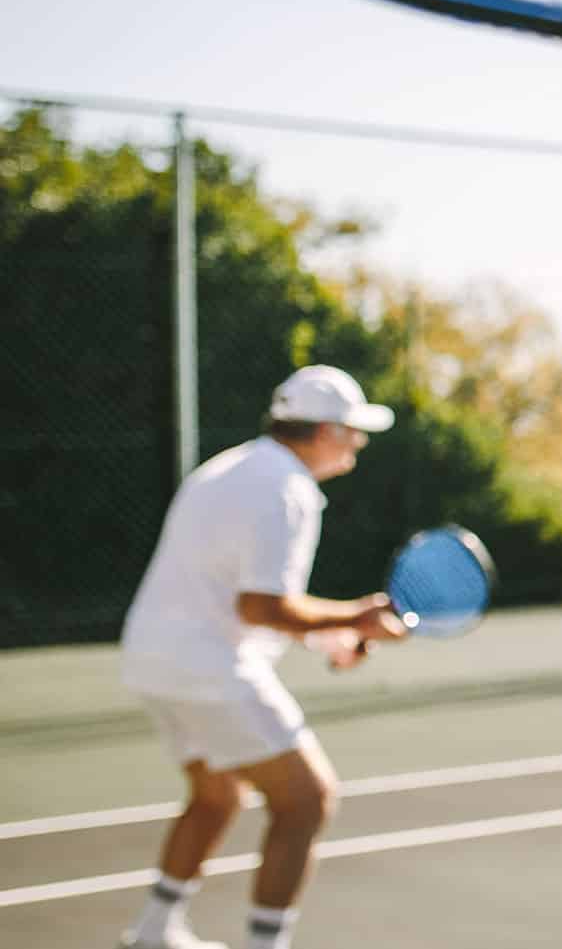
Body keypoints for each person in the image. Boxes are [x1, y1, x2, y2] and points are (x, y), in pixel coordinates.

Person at [116, 366, 411, 949]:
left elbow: (235, 595)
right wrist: (356, 616)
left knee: (217, 794)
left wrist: (331, 637)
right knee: (306, 800)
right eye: (353, 432)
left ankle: (154, 929)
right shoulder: (286, 488)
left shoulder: (227, 468)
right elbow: (261, 605)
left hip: (152, 658)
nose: (359, 444)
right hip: (208, 666)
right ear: (325, 431)